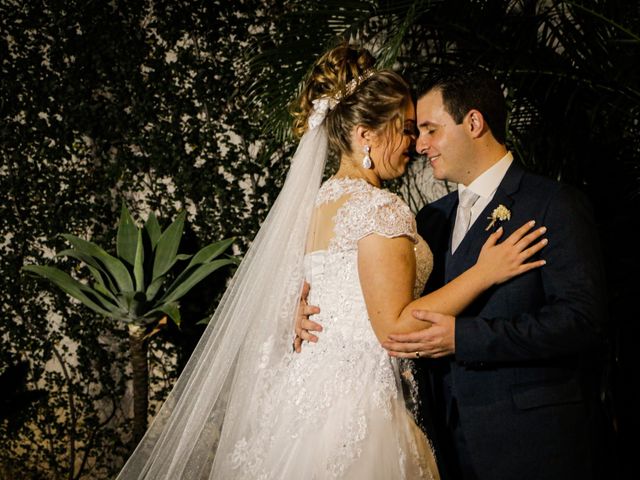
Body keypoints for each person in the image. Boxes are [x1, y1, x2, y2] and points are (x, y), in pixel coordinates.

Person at [117, 45, 546, 480]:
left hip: (302, 400)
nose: (414, 146)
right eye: (405, 130)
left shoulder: (320, 204)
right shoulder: (380, 209)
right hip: (358, 405)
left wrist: (294, 315)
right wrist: (485, 273)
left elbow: (322, 296)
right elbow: (395, 328)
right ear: (365, 136)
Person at [378, 66, 609, 480]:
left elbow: (581, 320)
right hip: (444, 446)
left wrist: (462, 338)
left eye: (430, 130)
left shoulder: (553, 204)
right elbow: (395, 307)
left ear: (473, 122)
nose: (420, 145)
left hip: (533, 443)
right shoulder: (429, 220)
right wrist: (313, 306)